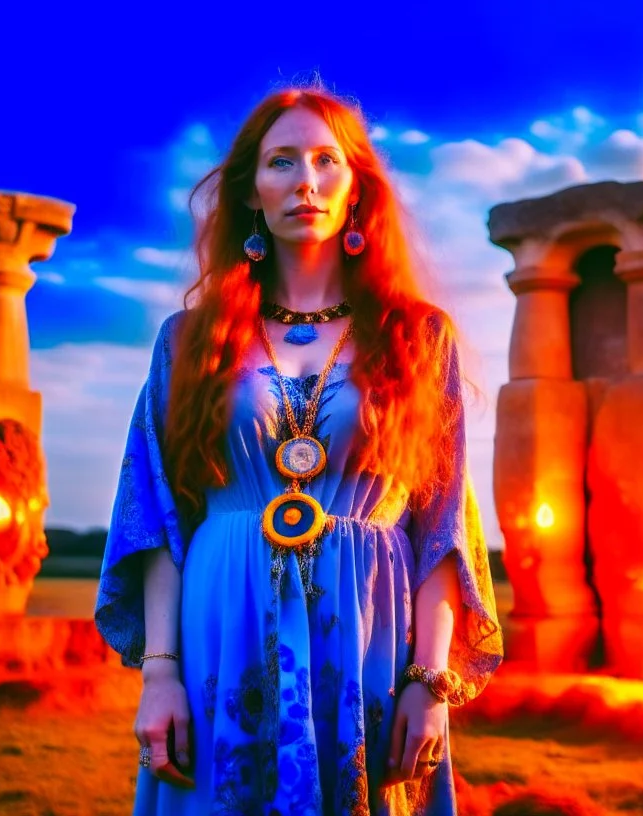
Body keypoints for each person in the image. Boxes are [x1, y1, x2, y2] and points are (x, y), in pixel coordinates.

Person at [95, 83, 503, 815]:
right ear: (251, 189)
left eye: (326, 161)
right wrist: (160, 674)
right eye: (282, 162)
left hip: (373, 635)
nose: (305, 183)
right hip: (223, 626)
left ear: (356, 191)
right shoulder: (187, 342)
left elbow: (441, 527)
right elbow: (156, 514)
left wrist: (430, 680)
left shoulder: (418, 338)